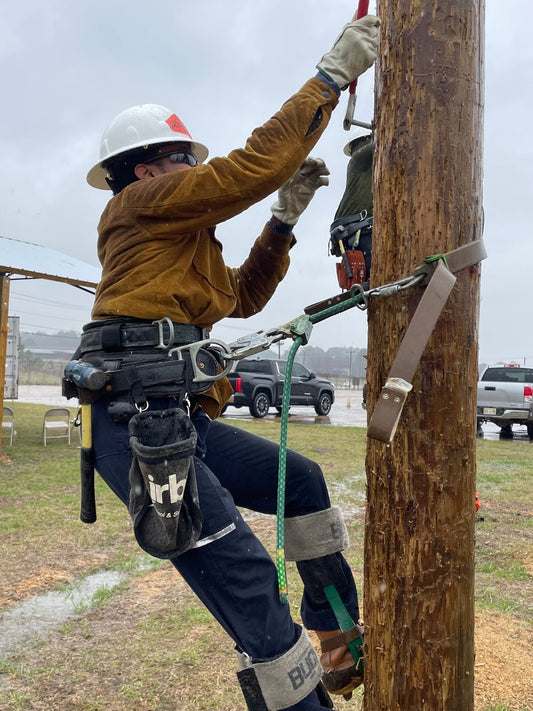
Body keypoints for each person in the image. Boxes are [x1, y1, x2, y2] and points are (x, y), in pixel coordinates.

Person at [70, 15, 380, 711]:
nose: (194, 170)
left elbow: (238, 296)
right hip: (135, 421)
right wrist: (329, 79)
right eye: (184, 158)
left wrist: (283, 222)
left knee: (299, 480)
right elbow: (245, 169)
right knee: (243, 573)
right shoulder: (138, 204)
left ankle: (335, 636)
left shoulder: (183, 242)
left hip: (174, 415)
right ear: (149, 167)